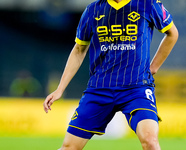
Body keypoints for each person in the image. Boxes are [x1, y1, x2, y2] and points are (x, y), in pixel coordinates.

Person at [43, 0, 178, 149]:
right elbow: (79, 49)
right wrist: (60, 88)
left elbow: (172, 34)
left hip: (136, 88)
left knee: (150, 140)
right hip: (100, 89)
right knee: (69, 147)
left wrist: (153, 67)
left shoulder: (147, 4)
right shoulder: (93, 10)